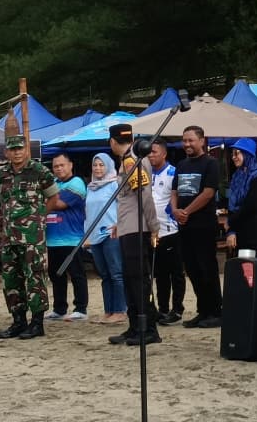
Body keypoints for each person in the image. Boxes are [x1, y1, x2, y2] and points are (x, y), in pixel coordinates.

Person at [0, 135, 62, 339]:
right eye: (12, 149)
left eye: (19, 149)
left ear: (26, 150)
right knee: (11, 280)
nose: (16, 152)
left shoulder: (39, 171)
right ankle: (18, 321)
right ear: (6, 152)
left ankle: (37, 323)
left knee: (35, 278)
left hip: (33, 238)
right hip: (9, 237)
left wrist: (39, 217)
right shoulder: (2, 174)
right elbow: (2, 202)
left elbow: (54, 197)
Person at [107, 123, 162, 347]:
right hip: (129, 227)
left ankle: (148, 328)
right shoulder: (129, 159)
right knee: (131, 280)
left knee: (139, 279)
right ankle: (134, 326)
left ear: (112, 141)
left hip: (138, 228)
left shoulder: (132, 161)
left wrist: (154, 225)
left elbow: (145, 196)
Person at [172, 125, 222, 329]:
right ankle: (203, 310)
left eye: (191, 140)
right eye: (184, 140)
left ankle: (216, 310)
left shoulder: (211, 163)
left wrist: (187, 211)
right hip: (184, 226)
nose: (187, 144)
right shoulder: (182, 165)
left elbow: (208, 192)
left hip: (203, 224)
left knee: (207, 267)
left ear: (202, 141)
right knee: (192, 268)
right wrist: (175, 210)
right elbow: (174, 191)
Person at [45, 152, 89, 322]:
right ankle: (59, 308)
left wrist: (46, 201)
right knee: (56, 275)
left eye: (62, 165)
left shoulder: (76, 183)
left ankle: (81, 308)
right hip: (52, 238)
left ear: (70, 165)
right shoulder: (54, 183)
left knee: (77, 274)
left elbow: (58, 203)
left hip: (72, 239)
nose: (59, 169)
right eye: (55, 166)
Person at [84, 152, 127, 325]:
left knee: (116, 274)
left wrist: (119, 225)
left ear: (108, 166)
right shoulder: (90, 187)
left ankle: (120, 310)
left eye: (102, 165)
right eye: (95, 165)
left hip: (111, 234)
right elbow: (88, 213)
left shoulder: (115, 184)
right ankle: (108, 310)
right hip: (95, 237)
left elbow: (124, 207)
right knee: (104, 275)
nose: (98, 168)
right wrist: (86, 234)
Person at [148, 140, 185, 325]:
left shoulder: (172, 172)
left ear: (164, 154)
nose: (150, 155)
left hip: (170, 229)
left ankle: (177, 309)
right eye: (149, 153)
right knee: (160, 274)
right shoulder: (146, 173)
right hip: (153, 231)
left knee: (175, 272)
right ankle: (162, 309)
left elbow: (176, 197)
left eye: (154, 152)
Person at [223, 138, 257, 259]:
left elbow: (251, 206)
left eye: (237, 153)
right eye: (232, 154)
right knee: (241, 269)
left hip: (255, 230)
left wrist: (230, 222)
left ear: (247, 154)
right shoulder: (237, 176)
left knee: (255, 268)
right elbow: (232, 205)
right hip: (239, 229)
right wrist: (231, 231)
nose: (233, 157)